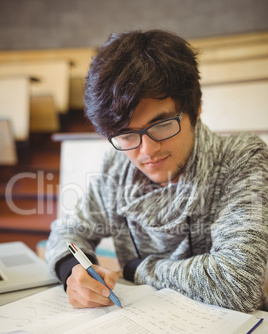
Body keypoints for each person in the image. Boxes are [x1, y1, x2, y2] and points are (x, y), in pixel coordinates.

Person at [46, 29, 268, 312]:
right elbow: (67, 232)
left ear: (195, 109)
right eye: (126, 135)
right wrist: (73, 272)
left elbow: (239, 284)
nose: (147, 151)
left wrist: (139, 269)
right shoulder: (117, 167)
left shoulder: (240, 156)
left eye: (161, 125)